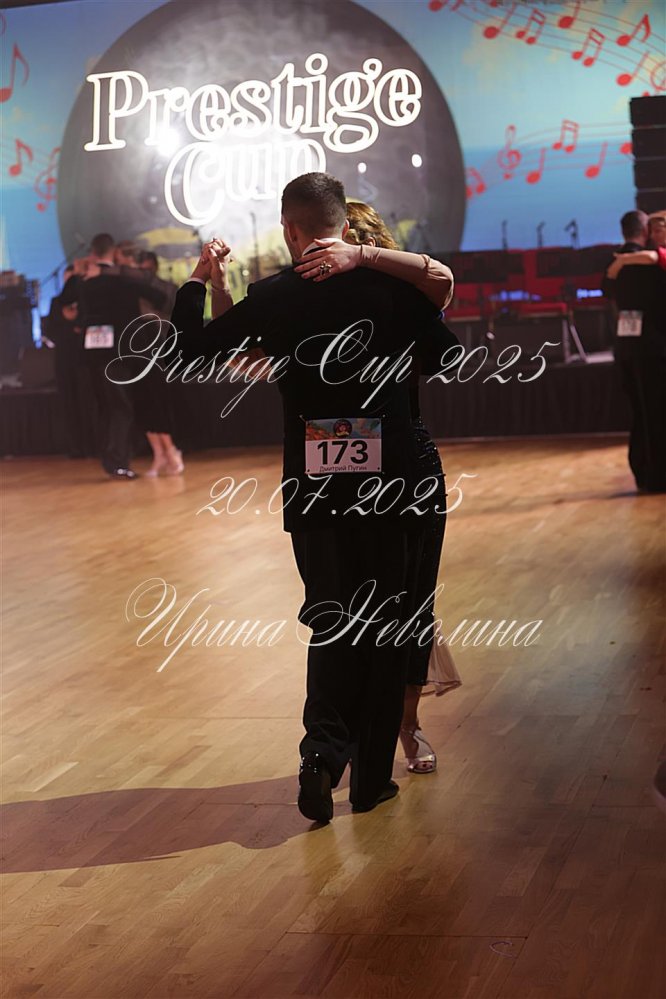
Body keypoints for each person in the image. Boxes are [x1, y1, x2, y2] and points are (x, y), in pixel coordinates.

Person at [171, 172, 453, 821]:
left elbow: (191, 350)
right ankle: (371, 780)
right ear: (344, 227)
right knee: (384, 623)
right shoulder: (389, 290)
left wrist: (197, 281)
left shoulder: (274, 296)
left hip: (316, 484)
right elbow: (443, 353)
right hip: (391, 483)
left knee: (331, 620)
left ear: (289, 230)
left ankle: (321, 757)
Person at [295, 202, 462, 773]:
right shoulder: (302, 304)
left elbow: (442, 325)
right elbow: (245, 353)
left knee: (403, 601)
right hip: (342, 472)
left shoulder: (398, 303)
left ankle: (396, 728)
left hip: (397, 466)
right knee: (352, 607)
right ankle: (362, 737)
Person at [61, 233, 167, 479]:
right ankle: (117, 462)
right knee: (120, 407)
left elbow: (64, 300)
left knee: (105, 406)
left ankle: (113, 459)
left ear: (92, 252)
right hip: (119, 354)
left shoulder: (83, 280)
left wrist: (76, 274)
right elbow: (159, 297)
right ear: (113, 252)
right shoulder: (122, 280)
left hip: (91, 355)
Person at [603, 211, 666, 493]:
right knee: (654, 412)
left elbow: (607, 289)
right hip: (654, 349)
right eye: (655, 228)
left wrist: (620, 262)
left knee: (641, 413)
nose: (657, 234)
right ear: (646, 231)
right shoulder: (652, 266)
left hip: (628, 348)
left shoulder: (618, 262)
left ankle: (644, 472)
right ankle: (656, 475)